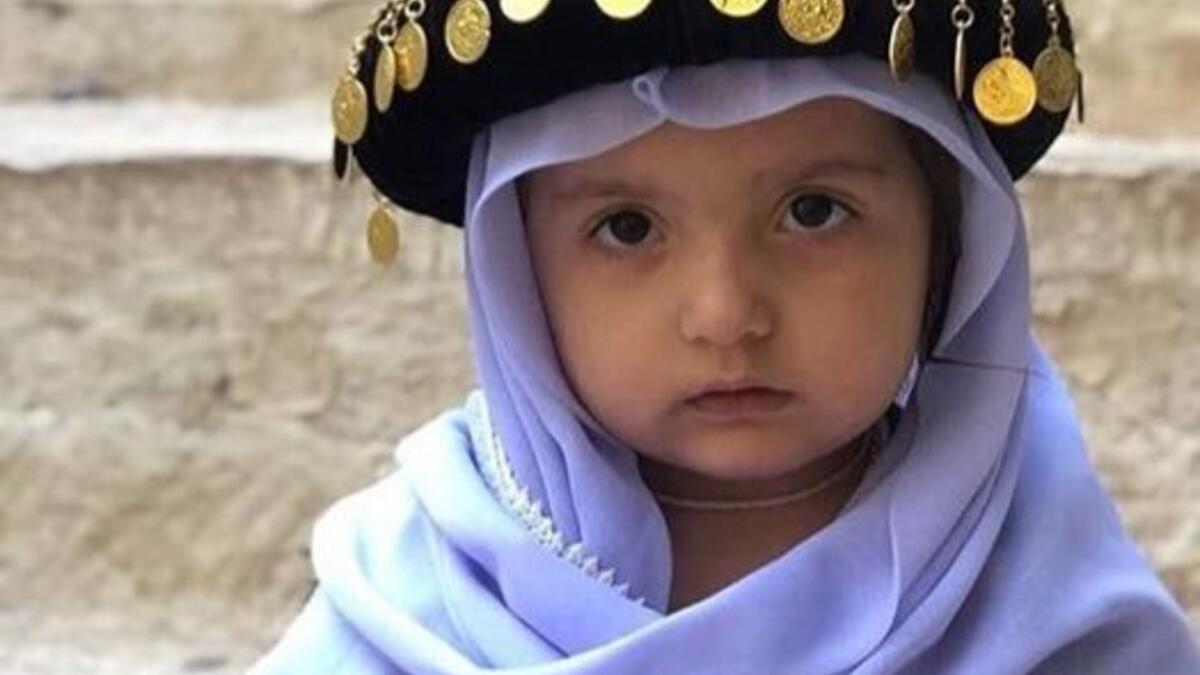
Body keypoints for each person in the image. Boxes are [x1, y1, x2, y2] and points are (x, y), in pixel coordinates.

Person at [254, 1, 1200, 672]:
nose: (725, 313)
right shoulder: (415, 586)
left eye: (815, 210)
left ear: (949, 241)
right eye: (627, 228)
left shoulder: (1051, 585)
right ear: (517, 275)